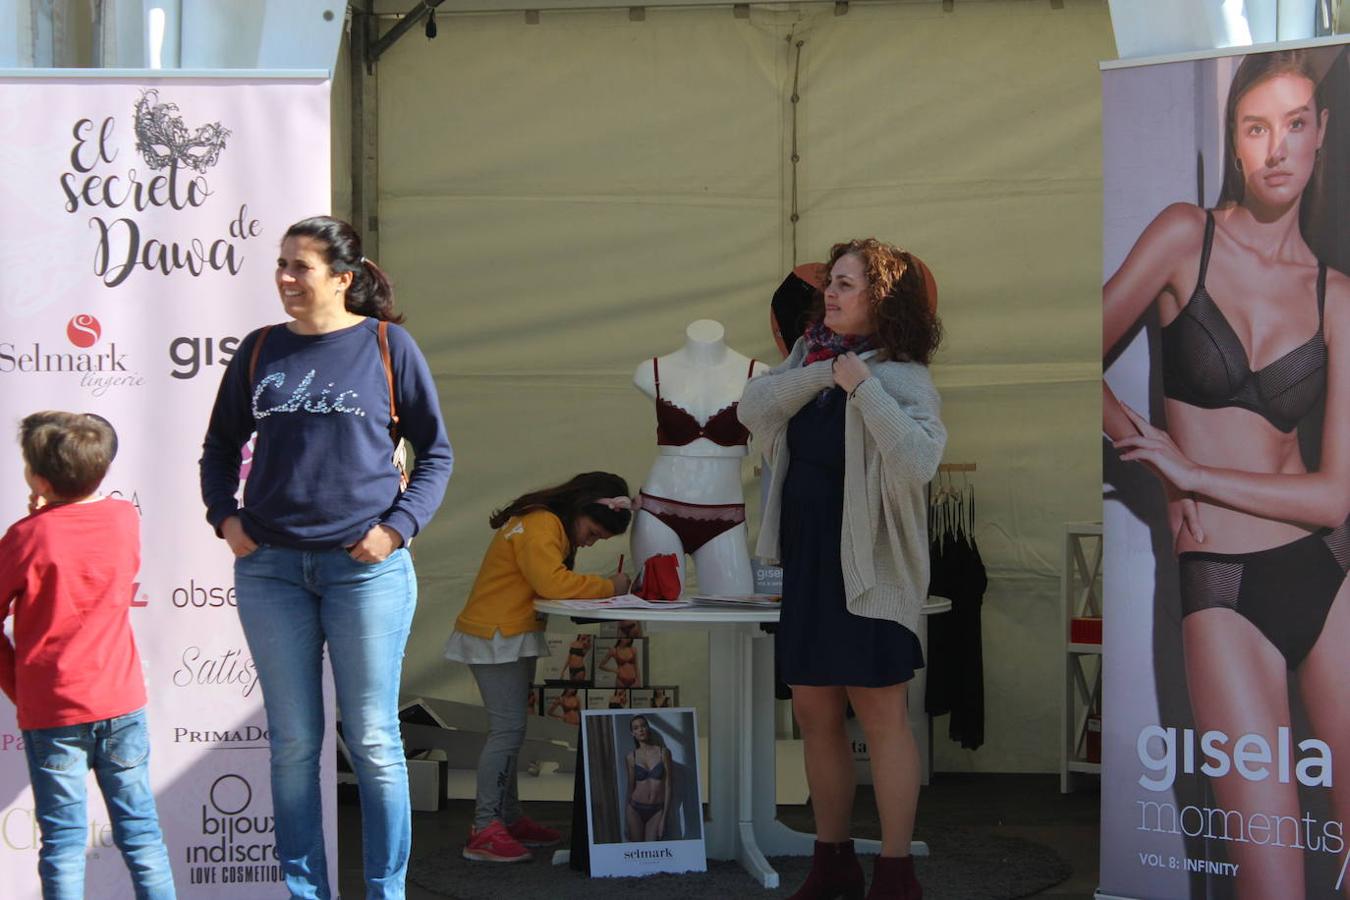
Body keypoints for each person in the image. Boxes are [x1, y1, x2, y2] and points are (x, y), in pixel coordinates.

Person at [1105, 49, 1350, 898]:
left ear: (1320, 135)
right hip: (1221, 588)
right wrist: (1155, 457)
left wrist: (1194, 474)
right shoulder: (1186, 235)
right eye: (1256, 128)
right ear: (1236, 143)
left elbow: (1334, 494)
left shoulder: (1337, 296)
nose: (1277, 147)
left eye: (1294, 124)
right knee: (1272, 883)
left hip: (1323, 579)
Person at [199, 216, 453, 900]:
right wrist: (226, 517)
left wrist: (396, 529)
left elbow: (437, 452)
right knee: (292, 747)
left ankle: (386, 891)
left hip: (366, 571)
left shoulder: (386, 346)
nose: (284, 278)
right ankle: (305, 892)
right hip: (271, 571)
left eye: (299, 267)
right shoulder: (258, 350)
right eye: (280, 264)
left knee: (372, 740)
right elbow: (220, 448)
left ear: (343, 278)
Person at [739, 238, 944, 900]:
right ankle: (831, 864)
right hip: (808, 567)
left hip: (871, 574)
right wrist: (826, 374)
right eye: (830, 283)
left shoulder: (906, 376)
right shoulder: (806, 360)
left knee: (882, 716)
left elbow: (917, 464)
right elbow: (753, 407)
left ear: (881, 298)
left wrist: (865, 388)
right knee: (814, 714)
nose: (830, 294)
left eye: (847, 285)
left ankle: (894, 871)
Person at [1, 411, 175, 899]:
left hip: (54, 713)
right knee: (142, 835)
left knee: (62, 842)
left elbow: (49, 547)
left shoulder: (24, 537)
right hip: (121, 706)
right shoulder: (124, 519)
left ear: (37, 477)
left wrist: (22, 689)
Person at [444, 472, 632, 864]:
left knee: (510, 731)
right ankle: (484, 828)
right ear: (581, 509)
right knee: (507, 732)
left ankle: (506, 818)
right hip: (499, 635)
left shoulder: (539, 520)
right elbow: (553, 584)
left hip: (505, 632)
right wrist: (610, 587)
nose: (589, 541)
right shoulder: (542, 523)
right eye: (592, 533)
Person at [631, 319, 770, 596]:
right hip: (660, 510)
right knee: (660, 608)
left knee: (734, 614)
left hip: (725, 515)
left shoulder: (758, 373)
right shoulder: (651, 370)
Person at [624, 715, 674, 842]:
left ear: (648, 728)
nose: (640, 730)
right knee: (637, 851)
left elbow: (668, 786)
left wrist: (664, 819)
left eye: (643, 726)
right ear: (632, 733)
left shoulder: (664, 753)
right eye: (636, 728)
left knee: (652, 850)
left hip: (657, 810)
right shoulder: (631, 757)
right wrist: (626, 821)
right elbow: (630, 787)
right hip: (634, 809)